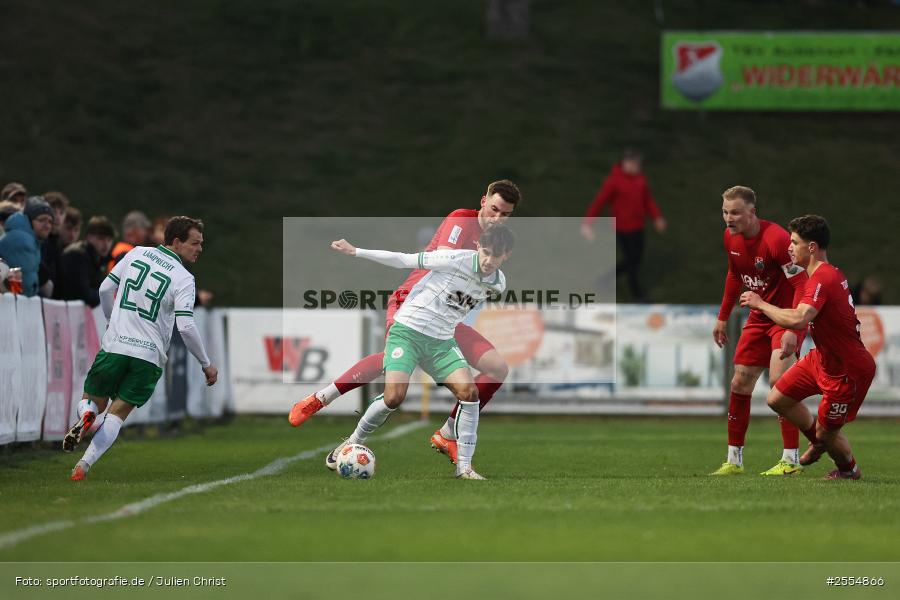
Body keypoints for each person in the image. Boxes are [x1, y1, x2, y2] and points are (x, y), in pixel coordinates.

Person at [289, 180, 521, 465]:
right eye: (494, 209)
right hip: (413, 301)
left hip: (445, 318)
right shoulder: (461, 220)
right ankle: (322, 397)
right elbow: (439, 261)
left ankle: (448, 433)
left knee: (497, 368)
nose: (497, 218)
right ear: (483, 201)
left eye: (505, 215)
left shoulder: (495, 247)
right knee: (396, 362)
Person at [324, 225, 515, 479]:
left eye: (497, 256)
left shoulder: (499, 284)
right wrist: (356, 251)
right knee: (394, 397)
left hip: (441, 342)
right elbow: (403, 259)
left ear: (507, 256)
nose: (490, 260)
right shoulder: (454, 259)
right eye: (486, 252)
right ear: (478, 246)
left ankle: (465, 469)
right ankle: (352, 441)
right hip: (408, 331)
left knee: (469, 393)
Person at [64, 216, 218, 481]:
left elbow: (104, 289)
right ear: (177, 242)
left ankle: (87, 415)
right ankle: (83, 465)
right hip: (148, 356)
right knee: (117, 415)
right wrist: (206, 363)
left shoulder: (136, 253)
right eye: (195, 243)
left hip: (115, 346)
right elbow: (186, 326)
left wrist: (113, 322)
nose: (200, 248)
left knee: (92, 401)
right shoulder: (184, 278)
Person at [741, 215, 875, 481]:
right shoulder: (820, 275)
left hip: (845, 370)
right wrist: (792, 332)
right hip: (821, 359)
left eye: (794, 242)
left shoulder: (822, 278)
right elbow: (804, 316)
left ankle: (848, 469)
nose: (789, 248)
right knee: (777, 399)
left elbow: (801, 317)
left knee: (827, 433)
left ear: (811, 247)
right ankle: (822, 441)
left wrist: (761, 304)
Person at [710, 186, 808, 476]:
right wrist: (722, 317)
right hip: (758, 316)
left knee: (780, 382)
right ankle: (734, 460)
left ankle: (791, 460)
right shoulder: (731, 237)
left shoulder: (777, 239)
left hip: (784, 315)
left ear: (752, 212)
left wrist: (793, 325)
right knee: (739, 383)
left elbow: (802, 286)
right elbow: (733, 275)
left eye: (736, 212)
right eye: (726, 212)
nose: (729, 218)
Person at [580, 148, 666, 302]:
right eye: (635, 164)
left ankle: (605, 279)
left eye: (639, 165)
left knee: (635, 259)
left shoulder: (640, 179)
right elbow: (599, 202)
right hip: (623, 228)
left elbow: (648, 200)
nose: (638, 167)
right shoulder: (614, 182)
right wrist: (588, 224)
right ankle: (637, 295)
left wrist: (657, 217)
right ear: (627, 163)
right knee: (632, 262)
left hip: (638, 226)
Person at [0, 196, 54, 297]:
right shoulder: (22, 240)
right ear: (30, 220)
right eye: (42, 220)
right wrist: (25, 299)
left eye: (50, 221)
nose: (47, 225)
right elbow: (25, 284)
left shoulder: (30, 239)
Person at [57, 216, 116, 307]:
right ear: (89, 237)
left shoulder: (99, 259)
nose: (106, 244)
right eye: (101, 238)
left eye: (109, 240)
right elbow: (83, 294)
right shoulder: (78, 255)